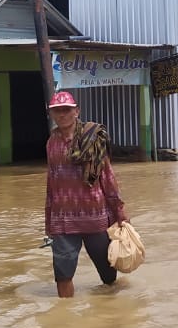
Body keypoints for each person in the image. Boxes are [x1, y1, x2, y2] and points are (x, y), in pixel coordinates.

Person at [44, 90, 129, 298]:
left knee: (108, 275)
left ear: (76, 112)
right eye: (57, 111)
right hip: (62, 220)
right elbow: (51, 182)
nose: (62, 115)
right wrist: (48, 219)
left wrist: (119, 211)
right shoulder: (51, 143)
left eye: (66, 110)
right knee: (62, 275)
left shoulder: (92, 139)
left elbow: (107, 177)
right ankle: (65, 322)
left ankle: (111, 318)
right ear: (52, 114)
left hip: (95, 217)